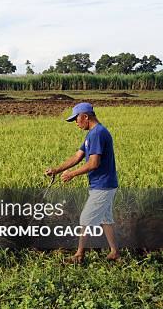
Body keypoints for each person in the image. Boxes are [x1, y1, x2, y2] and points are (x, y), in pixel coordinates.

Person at [46, 102, 120, 264]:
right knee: (106, 218)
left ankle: (79, 255)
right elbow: (77, 157)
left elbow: (94, 163)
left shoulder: (98, 134)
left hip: (103, 184)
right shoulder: (91, 134)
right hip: (102, 184)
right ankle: (114, 252)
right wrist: (56, 170)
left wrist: (71, 174)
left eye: (76, 119)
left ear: (85, 117)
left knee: (85, 219)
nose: (76, 123)